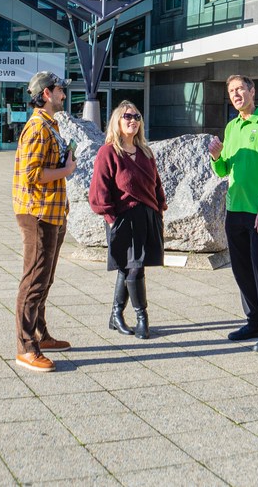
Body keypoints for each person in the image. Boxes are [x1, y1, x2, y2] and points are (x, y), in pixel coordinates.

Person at [208, 74, 258, 352]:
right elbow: (224, 170)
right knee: (240, 269)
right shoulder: (231, 127)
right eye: (231, 91)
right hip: (235, 209)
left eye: (240, 88)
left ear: (252, 91)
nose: (236, 94)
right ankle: (254, 321)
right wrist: (217, 156)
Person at [10, 70, 74, 372]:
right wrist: (67, 170)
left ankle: (40, 334)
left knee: (44, 279)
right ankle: (26, 347)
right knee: (34, 279)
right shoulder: (37, 129)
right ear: (46, 93)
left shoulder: (50, 125)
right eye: (60, 90)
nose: (64, 94)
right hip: (38, 214)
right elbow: (34, 175)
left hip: (51, 212)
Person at [89, 99, 165, 339]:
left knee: (128, 267)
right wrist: (111, 219)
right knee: (134, 268)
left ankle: (115, 315)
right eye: (127, 117)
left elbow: (156, 184)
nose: (133, 121)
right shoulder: (108, 152)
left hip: (146, 216)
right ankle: (142, 318)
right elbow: (99, 189)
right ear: (117, 121)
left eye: (136, 117)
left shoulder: (145, 152)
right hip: (122, 218)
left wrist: (159, 209)